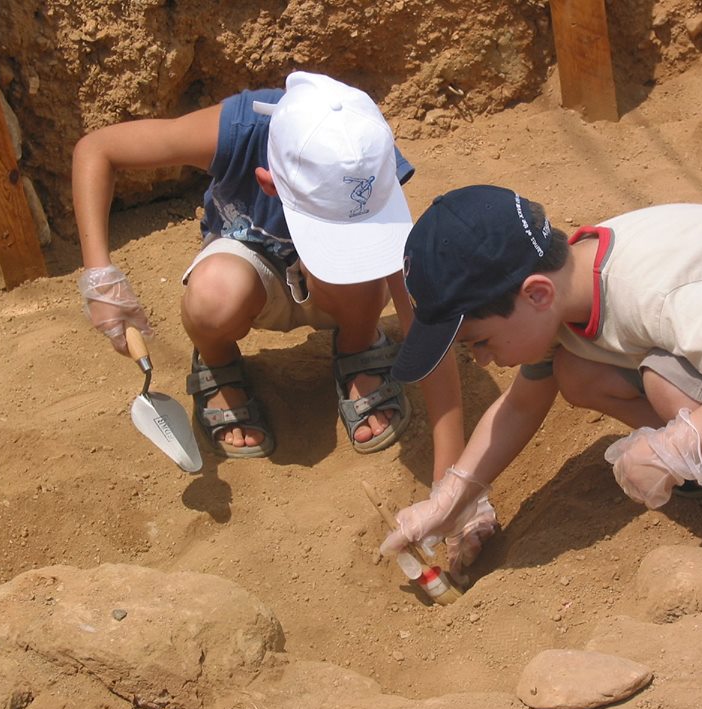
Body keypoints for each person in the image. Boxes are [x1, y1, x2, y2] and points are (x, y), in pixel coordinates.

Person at [380, 185, 702, 570]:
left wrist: (675, 445)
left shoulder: (654, 285)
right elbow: (519, 406)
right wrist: (451, 498)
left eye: (481, 343)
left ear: (535, 294)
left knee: (669, 382)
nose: (485, 362)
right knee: (576, 372)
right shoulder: (562, 294)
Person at [72, 71, 466, 481]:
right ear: (268, 182)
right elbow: (96, 150)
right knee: (212, 297)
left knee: (367, 268)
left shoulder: (362, 152)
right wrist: (100, 276)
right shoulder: (239, 129)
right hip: (249, 264)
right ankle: (217, 360)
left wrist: (453, 478)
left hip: (339, 290)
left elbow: (421, 324)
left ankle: (358, 344)